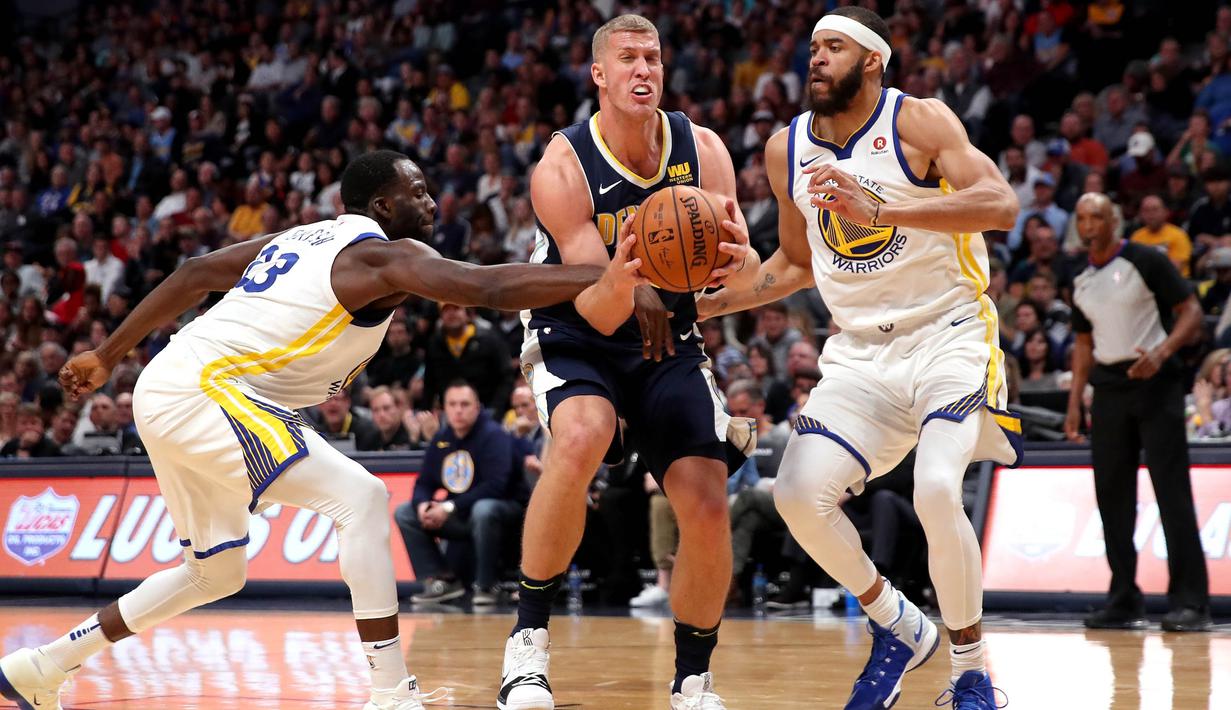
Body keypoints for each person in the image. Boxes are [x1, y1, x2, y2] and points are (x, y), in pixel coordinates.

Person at [0, 149, 636, 710]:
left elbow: (193, 273)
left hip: (170, 386)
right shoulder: (383, 255)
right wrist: (611, 277)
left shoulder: (301, 238)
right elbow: (481, 286)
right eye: (417, 192)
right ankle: (389, 693)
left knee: (215, 572)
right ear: (382, 205)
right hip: (208, 391)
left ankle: (44, 665)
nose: (431, 200)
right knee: (360, 498)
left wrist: (108, 356)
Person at [699, 8, 1022, 708]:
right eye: (812, 46)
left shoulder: (919, 122)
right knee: (793, 494)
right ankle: (898, 624)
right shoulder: (786, 149)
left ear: (871, 60)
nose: (815, 58)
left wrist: (882, 211)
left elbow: (999, 204)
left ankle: (970, 672)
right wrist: (701, 307)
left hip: (947, 333)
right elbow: (792, 263)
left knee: (936, 488)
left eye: (833, 46)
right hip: (857, 355)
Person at [501, 14, 761, 710]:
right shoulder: (561, 168)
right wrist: (633, 284)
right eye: (627, 59)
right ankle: (525, 645)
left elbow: (742, 281)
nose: (642, 69)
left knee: (706, 499)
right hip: (576, 328)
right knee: (581, 436)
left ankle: (693, 679)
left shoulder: (702, 151)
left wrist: (739, 262)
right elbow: (598, 307)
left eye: (652, 57)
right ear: (599, 75)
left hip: (667, 335)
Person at [1065, 192, 1211, 632]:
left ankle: (1191, 601)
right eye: (1082, 218)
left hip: (1156, 383)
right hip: (1108, 390)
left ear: (1114, 220)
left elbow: (1193, 312)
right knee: (1112, 496)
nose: (1088, 225)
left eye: (1096, 217)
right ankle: (1124, 598)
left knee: (1171, 492)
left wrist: (1164, 352)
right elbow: (1084, 344)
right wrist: (1074, 401)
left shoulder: (1146, 260)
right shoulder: (1081, 280)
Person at [395, 380, 525, 605]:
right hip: (462, 512)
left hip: (506, 511)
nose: (458, 410)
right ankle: (442, 580)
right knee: (405, 512)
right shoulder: (442, 439)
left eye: (465, 404)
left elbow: (496, 486)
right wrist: (424, 504)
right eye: (452, 404)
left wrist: (448, 507)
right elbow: (424, 482)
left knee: (483, 509)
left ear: (477, 407)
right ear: (444, 409)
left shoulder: (494, 436)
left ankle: (486, 585)